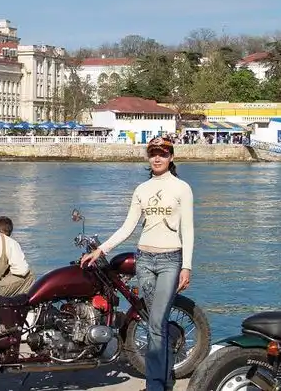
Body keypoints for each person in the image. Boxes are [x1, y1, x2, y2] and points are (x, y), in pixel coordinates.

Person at [81, 135, 194, 391]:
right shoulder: (141, 190)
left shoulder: (182, 188)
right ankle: (163, 378)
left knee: (156, 323)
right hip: (144, 260)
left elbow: (188, 229)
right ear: (148, 157)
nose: (157, 158)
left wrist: (186, 266)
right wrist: (101, 249)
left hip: (170, 260)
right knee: (155, 322)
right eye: (153, 153)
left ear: (171, 157)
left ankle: (155, 386)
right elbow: (127, 227)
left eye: (163, 153)